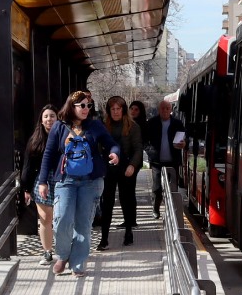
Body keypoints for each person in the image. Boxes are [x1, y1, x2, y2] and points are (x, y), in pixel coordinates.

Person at [35, 90, 121, 277]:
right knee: (62, 220)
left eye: (88, 106)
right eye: (82, 105)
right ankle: (63, 255)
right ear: (71, 106)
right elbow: (48, 154)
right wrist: (42, 181)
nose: (86, 109)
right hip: (65, 180)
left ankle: (78, 262)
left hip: (91, 181)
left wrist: (114, 153)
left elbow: (111, 143)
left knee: (83, 224)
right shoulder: (59, 126)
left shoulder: (95, 126)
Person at [97, 95, 143, 250]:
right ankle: (104, 238)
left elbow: (138, 149)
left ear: (123, 110)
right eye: (113, 109)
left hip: (126, 168)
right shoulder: (104, 126)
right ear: (109, 111)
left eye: (118, 109)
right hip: (108, 168)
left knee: (126, 200)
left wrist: (132, 165)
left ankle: (128, 231)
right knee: (107, 203)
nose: (116, 112)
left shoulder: (133, 126)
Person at [20, 104, 57, 263]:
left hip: (62, 179)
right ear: (41, 121)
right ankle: (47, 251)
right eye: (46, 116)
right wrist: (26, 188)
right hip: (41, 182)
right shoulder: (35, 140)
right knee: (45, 218)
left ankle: (64, 250)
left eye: (52, 116)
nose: (49, 119)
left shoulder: (64, 136)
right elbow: (27, 166)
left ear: (58, 118)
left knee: (62, 218)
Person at [144, 98, 185, 218]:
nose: (165, 111)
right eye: (163, 108)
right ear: (159, 110)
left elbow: (184, 138)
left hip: (173, 161)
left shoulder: (177, 123)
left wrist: (183, 144)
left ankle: (171, 211)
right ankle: (156, 209)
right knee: (157, 188)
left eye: (167, 108)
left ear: (171, 109)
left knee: (173, 188)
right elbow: (145, 141)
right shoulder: (151, 123)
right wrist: (150, 151)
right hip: (157, 161)